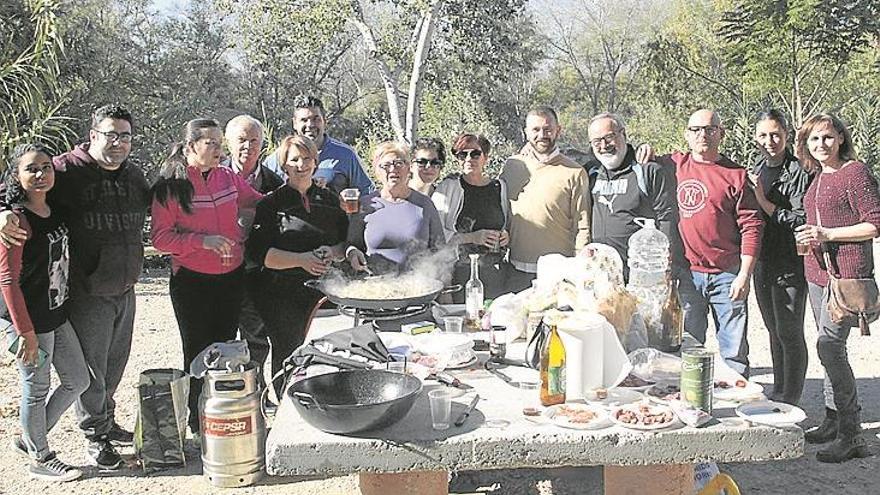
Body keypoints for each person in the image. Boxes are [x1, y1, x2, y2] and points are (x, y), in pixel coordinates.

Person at [0, 105, 150, 469]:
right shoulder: (65, 170)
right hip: (84, 290)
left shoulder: (133, 176)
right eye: (110, 135)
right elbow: (16, 185)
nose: (118, 143)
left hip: (124, 286)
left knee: (111, 367)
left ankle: (104, 421)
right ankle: (94, 436)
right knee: (90, 371)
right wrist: (0, 212)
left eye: (125, 136)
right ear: (93, 134)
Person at [150, 118, 263, 436]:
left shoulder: (227, 176)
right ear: (190, 147)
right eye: (210, 143)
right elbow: (160, 238)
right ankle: (198, 422)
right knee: (198, 352)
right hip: (192, 281)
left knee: (226, 348)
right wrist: (202, 241)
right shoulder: (171, 186)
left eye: (219, 143)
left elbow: (255, 200)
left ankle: (222, 416)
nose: (218, 149)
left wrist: (301, 188)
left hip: (231, 277)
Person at [793, 113, 880, 463]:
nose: (821, 145)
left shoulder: (854, 172)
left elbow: (875, 223)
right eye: (814, 140)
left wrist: (828, 234)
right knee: (828, 348)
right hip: (818, 275)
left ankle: (851, 433)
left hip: (846, 276)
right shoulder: (817, 178)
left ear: (841, 138)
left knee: (830, 348)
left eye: (827, 137)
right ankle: (832, 420)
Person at [1, 144, 89, 482]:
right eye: (31, 169)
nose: (40, 175)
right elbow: (7, 280)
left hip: (54, 313)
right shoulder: (15, 221)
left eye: (46, 167)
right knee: (35, 387)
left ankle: (30, 437)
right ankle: (40, 455)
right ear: (17, 176)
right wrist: (24, 332)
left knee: (78, 380)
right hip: (25, 320)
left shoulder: (55, 210)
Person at [656, 109, 763, 376]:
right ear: (686, 135)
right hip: (688, 275)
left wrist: (744, 275)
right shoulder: (673, 165)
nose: (702, 134)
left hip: (727, 275)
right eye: (696, 129)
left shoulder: (736, 175)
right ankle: (692, 402)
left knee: (734, 351)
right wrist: (644, 150)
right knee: (688, 346)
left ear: (721, 133)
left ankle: (738, 407)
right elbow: (634, 159)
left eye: (710, 129)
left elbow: (752, 227)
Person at [246, 135, 348, 398]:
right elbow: (261, 254)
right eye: (294, 159)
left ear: (315, 162)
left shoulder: (329, 199)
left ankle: (325, 403)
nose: (301, 164)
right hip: (281, 296)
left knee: (327, 352)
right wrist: (302, 260)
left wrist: (332, 252)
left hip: (325, 294)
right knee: (288, 353)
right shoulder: (270, 204)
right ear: (284, 165)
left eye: (306, 158)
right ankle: (285, 408)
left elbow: (341, 244)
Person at [751, 110, 811, 405]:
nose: (770, 141)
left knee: (789, 330)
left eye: (775, 134)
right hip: (763, 259)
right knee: (773, 329)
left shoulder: (799, 170)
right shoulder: (758, 169)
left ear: (786, 135)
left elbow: (801, 219)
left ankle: (791, 398)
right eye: (763, 135)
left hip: (790, 260)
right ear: (755, 138)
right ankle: (779, 390)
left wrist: (764, 202)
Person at [221, 115, 283, 401]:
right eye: (241, 140)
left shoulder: (275, 182)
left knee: (256, 338)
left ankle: (255, 397)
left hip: (258, 271)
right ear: (228, 143)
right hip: (217, 272)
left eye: (254, 140)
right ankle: (223, 399)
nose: (248, 146)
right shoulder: (213, 175)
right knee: (218, 339)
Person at [499, 106, 591, 292]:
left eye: (548, 129)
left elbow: (582, 225)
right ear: (526, 133)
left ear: (558, 130)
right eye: (536, 129)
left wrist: (581, 270)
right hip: (516, 269)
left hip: (558, 273)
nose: (542, 135)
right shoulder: (512, 166)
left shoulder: (574, 172)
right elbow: (500, 210)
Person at [585, 113, 682, 282]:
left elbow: (666, 218)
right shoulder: (590, 172)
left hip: (641, 273)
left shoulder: (647, 171)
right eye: (597, 141)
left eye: (609, 137)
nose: (604, 145)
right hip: (601, 273)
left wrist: (666, 266)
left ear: (623, 134)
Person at [432, 133, 509, 301]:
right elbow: (436, 234)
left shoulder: (499, 187)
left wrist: (505, 236)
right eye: (462, 154)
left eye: (475, 153)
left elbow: (505, 223)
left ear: (486, 157)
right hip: (459, 272)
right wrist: (473, 237)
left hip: (495, 271)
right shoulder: (448, 187)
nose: (469, 158)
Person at [346, 141, 444, 274]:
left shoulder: (424, 204)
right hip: (374, 286)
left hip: (418, 286)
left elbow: (440, 251)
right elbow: (351, 244)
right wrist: (352, 253)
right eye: (386, 165)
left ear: (408, 167)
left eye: (399, 163)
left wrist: (445, 292)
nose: (393, 169)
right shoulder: (365, 205)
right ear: (376, 171)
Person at [264, 95, 374, 195]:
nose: (310, 125)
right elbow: (262, 194)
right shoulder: (278, 158)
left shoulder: (345, 155)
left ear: (324, 121)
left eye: (316, 119)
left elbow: (366, 193)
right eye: (304, 120)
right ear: (295, 123)